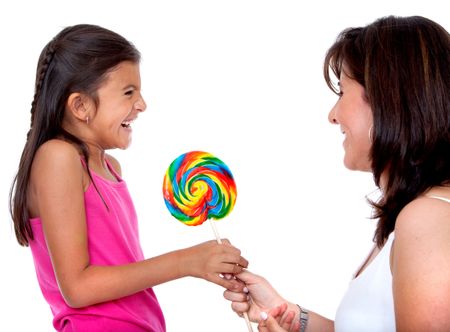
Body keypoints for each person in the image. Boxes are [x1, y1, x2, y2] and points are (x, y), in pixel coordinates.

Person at [9, 24, 248, 332]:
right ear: (81, 105)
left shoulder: (111, 168)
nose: (142, 104)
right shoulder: (57, 157)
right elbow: (77, 287)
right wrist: (186, 262)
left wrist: (206, 261)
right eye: (128, 92)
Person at [223, 15, 450, 331]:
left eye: (342, 92)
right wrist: (293, 318)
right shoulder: (414, 216)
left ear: (386, 99)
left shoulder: (425, 220)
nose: (333, 115)